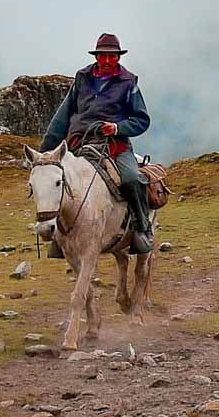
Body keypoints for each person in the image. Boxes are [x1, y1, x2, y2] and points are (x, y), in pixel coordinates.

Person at [39, 33, 155, 254]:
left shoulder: (129, 82)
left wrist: (118, 128)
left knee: (132, 179)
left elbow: (141, 120)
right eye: (104, 56)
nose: (108, 61)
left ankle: (142, 228)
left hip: (114, 145)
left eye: (113, 56)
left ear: (118, 57)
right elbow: (63, 116)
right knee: (57, 180)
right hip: (79, 142)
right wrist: (45, 153)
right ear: (97, 56)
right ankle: (59, 238)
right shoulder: (82, 78)